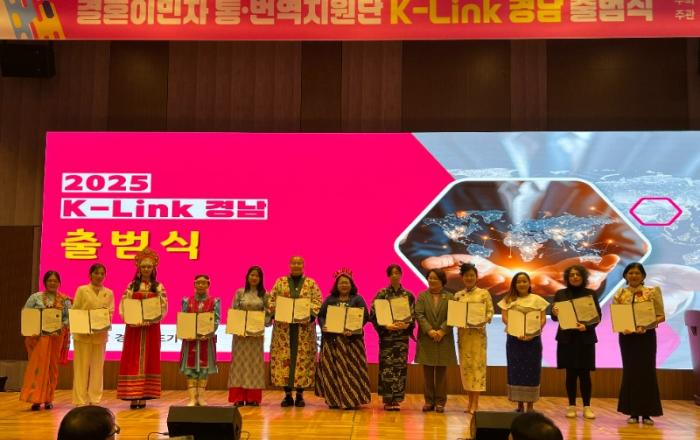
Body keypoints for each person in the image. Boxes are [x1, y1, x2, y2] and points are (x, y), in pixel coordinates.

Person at [613, 262, 665, 425]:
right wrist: (623, 327)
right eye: (630, 273)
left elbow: (660, 316)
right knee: (630, 372)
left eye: (637, 273)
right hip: (627, 338)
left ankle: (647, 413)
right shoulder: (620, 293)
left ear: (643, 276)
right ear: (625, 276)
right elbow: (617, 317)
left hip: (646, 337)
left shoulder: (652, 291)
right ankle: (633, 412)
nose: (634, 276)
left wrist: (647, 326)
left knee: (647, 373)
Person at [268, 256, 322, 407]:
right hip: (283, 330)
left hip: (304, 330)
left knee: (303, 360)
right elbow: (271, 300)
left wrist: (311, 315)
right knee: (283, 360)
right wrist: (276, 313)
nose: (296, 265)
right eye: (294, 263)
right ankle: (287, 395)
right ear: (290, 264)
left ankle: (299, 395)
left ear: (303, 265)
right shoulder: (280, 282)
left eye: (299, 263)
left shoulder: (311, 284)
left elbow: (318, 300)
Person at [117, 248, 167, 409]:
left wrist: (153, 319)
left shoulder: (158, 286)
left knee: (150, 358)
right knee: (132, 358)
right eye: (143, 266)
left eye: (149, 267)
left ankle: (144, 394)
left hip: (151, 329)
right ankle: (133, 395)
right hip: (134, 328)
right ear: (139, 268)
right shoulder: (132, 286)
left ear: (153, 268)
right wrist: (131, 319)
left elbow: (163, 306)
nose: (146, 269)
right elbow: (124, 304)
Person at [316, 268, 371, 409]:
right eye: (341, 283)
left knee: (352, 371)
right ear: (336, 285)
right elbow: (321, 316)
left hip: (352, 343)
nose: (344, 285)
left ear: (351, 285)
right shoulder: (330, 299)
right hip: (332, 342)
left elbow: (365, 316)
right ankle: (333, 400)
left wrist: (354, 329)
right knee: (332, 371)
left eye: (346, 283)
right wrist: (323, 326)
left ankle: (351, 400)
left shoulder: (358, 299)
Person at [551, 265, 602, 420]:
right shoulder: (560, 294)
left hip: (585, 338)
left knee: (585, 374)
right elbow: (554, 318)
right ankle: (571, 405)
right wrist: (554, 312)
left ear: (583, 277)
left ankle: (587, 406)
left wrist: (586, 327)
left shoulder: (590, 294)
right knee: (570, 374)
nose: (574, 277)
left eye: (578, 274)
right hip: (567, 339)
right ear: (567, 277)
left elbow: (597, 317)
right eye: (571, 275)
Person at [20, 270, 71, 410]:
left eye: (55, 281)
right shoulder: (35, 298)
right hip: (38, 339)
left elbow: (68, 318)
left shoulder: (65, 300)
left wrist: (61, 325)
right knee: (38, 367)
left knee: (51, 368)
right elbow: (27, 314)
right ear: (45, 282)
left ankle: (48, 398)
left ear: (59, 283)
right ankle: (35, 399)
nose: (52, 283)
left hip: (55, 339)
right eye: (50, 280)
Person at [498, 272, 548, 413]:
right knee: (516, 371)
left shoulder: (537, 300)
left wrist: (532, 333)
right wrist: (517, 330)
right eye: (518, 281)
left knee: (532, 371)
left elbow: (542, 319)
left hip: (533, 341)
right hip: (514, 340)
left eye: (524, 281)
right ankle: (519, 405)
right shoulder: (508, 299)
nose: (521, 284)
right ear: (514, 284)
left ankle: (530, 406)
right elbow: (504, 318)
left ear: (529, 283)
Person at [370, 264, 415, 411]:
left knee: (400, 368)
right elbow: (373, 314)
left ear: (401, 275)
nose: (395, 275)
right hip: (387, 338)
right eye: (392, 273)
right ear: (388, 276)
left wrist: (407, 324)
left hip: (402, 339)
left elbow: (413, 315)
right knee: (387, 367)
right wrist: (385, 326)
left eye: (397, 273)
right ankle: (388, 399)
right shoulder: (382, 294)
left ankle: (397, 399)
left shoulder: (408, 295)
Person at [415, 268, 457, 413]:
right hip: (427, 339)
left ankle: (440, 402)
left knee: (441, 373)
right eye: (430, 278)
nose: (431, 280)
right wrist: (430, 331)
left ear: (442, 281)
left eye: (435, 278)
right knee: (427, 373)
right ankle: (429, 401)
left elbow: (453, 315)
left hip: (444, 339)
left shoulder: (450, 297)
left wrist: (442, 331)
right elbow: (419, 315)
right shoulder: (422, 296)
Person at [71, 263, 114, 406]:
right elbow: (76, 310)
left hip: (100, 335)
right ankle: (80, 400)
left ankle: (95, 399)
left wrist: (103, 321)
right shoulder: (82, 290)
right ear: (90, 275)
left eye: (102, 273)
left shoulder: (108, 292)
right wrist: (83, 326)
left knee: (97, 368)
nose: (99, 276)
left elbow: (110, 312)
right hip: (82, 335)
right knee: (81, 368)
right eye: (96, 273)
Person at [454, 262, 494, 415]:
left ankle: (475, 403)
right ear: (462, 277)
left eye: (472, 275)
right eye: (466, 275)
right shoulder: (458, 295)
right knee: (466, 369)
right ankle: (469, 402)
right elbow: (455, 316)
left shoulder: (484, 294)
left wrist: (482, 320)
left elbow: (490, 312)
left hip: (478, 337)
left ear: (476, 277)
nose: (469, 278)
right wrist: (457, 320)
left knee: (477, 369)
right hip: (464, 337)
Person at [228, 266, 270, 406]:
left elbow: (269, 313)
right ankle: (238, 397)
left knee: (255, 365)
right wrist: (236, 325)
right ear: (247, 277)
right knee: (238, 364)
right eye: (252, 275)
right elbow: (234, 310)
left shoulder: (265, 294)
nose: (254, 278)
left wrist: (263, 320)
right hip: (240, 335)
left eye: (257, 276)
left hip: (256, 336)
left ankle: (253, 398)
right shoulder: (240, 293)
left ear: (261, 278)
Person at [180, 274, 220, 406]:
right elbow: (184, 318)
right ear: (194, 285)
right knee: (190, 369)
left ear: (208, 285)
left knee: (204, 369)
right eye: (198, 283)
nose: (201, 285)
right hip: (190, 340)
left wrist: (209, 332)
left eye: (204, 283)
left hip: (206, 341)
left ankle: (201, 398)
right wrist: (186, 332)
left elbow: (216, 319)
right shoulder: (187, 301)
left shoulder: (214, 301)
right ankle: (192, 398)